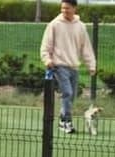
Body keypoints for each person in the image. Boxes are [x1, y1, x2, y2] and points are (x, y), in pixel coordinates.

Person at [41, 0, 97, 134]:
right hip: (59, 66)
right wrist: (47, 60)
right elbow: (45, 46)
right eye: (62, 8)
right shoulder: (54, 25)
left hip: (74, 67)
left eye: (67, 8)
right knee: (68, 93)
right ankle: (66, 121)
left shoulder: (81, 27)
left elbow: (86, 48)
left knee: (71, 97)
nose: (64, 11)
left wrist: (91, 65)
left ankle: (63, 120)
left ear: (74, 8)